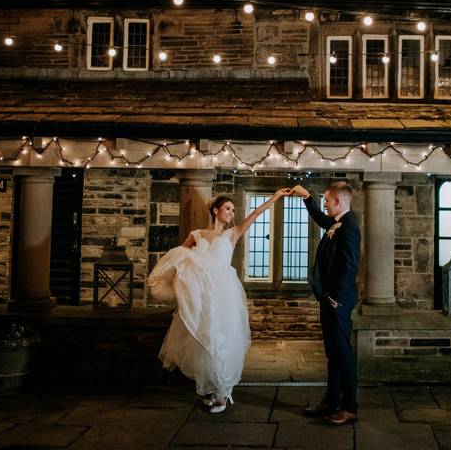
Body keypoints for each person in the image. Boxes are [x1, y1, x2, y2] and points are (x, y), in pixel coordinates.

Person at [147, 188, 290, 413]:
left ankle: (223, 391)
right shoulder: (197, 234)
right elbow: (178, 257)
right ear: (216, 210)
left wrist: (276, 196)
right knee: (203, 336)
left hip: (224, 292)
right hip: (201, 294)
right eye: (228, 208)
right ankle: (208, 388)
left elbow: (255, 215)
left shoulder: (232, 234)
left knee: (222, 335)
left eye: (233, 210)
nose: (232, 213)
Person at [289, 181, 360, 425]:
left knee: (343, 354)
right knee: (332, 353)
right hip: (328, 298)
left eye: (327, 200)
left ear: (338, 202)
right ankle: (332, 400)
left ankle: (349, 407)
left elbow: (349, 265)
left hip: (337, 301)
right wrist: (307, 197)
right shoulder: (338, 222)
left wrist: (337, 298)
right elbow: (320, 218)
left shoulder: (349, 226)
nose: (325, 204)